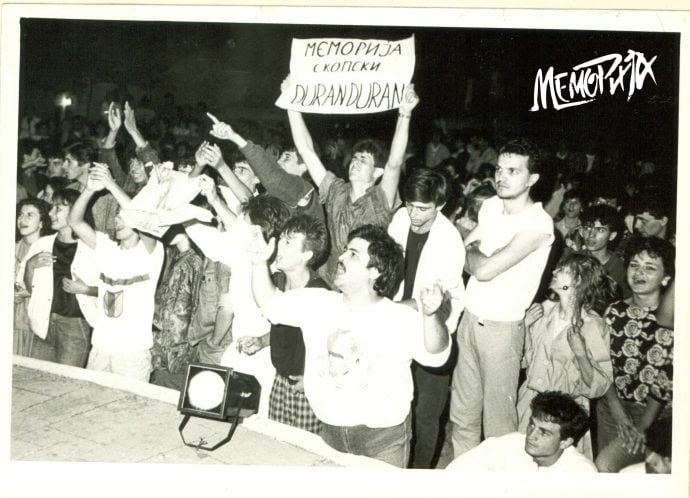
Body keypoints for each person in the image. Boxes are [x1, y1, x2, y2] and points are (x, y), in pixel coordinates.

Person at [251, 224, 450, 467]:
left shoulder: (398, 317)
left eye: (353, 254)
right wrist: (258, 263)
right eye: (345, 250)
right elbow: (270, 303)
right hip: (330, 434)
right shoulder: (319, 303)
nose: (341, 257)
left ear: (374, 270)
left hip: (382, 440)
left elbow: (437, 355)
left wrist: (431, 316)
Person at [449, 137, 555, 458]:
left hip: (502, 329)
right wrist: (477, 254)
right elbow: (461, 252)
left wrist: (475, 254)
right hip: (469, 319)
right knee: (462, 417)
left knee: (498, 426)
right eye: (499, 169)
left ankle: (503, 480)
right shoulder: (491, 206)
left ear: (532, 178)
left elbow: (481, 270)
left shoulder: (539, 224)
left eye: (513, 171)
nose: (502, 177)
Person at [286, 78, 420, 287]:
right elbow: (306, 150)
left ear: (377, 172)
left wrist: (405, 114)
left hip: (362, 283)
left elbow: (394, 162)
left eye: (363, 159)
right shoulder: (335, 189)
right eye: (354, 158)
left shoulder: (381, 198)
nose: (355, 162)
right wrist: (291, 105)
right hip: (328, 281)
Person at [387, 167, 466, 468]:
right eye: (410, 205)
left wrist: (386, 310)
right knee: (396, 402)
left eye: (422, 208)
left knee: (426, 413)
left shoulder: (450, 241)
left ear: (440, 205)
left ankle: (419, 475)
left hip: (434, 325)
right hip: (398, 319)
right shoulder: (399, 219)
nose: (413, 214)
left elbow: (429, 301)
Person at [69, 163, 164, 381]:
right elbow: (74, 222)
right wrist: (89, 190)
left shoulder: (151, 251)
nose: (117, 220)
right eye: (116, 216)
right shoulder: (106, 247)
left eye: (123, 216)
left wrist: (111, 184)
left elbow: (141, 218)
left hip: (132, 353)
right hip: (100, 348)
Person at [239, 215, 329, 434]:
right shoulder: (277, 282)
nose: (280, 245)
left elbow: (331, 345)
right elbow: (287, 325)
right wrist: (262, 341)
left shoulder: (318, 293)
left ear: (306, 254)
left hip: (306, 388)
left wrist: (315, 380)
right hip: (280, 382)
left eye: (289, 242)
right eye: (281, 239)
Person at [518, 253, 614, 458]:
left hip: (565, 414)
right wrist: (524, 327)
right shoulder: (542, 311)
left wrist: (580, 354)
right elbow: (523, 361)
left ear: (578, 281)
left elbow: (600, 386)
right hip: (530, 406)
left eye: (563, 270)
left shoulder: (593, 326)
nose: (554, 271)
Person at [595, 236, 674, 472]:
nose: (639, 273)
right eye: (634, 265)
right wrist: (616, 409)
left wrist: (643, 426)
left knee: (605, 465)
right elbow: (602, 363)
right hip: (611, 406)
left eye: (650, 268)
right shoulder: (614, 311)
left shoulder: (672, 321)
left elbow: (665, 380)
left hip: (654, 415)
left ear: (666, 278)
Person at [16, 189, 99, 367]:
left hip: (74, 326)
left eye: (58, 208)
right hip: (43, 325)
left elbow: (112, 288)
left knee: (65, 381)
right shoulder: (42, 244)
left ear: (76, 211)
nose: (51, 213)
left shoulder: (93, 247)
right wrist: (30, 266)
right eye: (52, 208)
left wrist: (86, 290)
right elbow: (30, 289)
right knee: (39, 379)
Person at [207, 115, 325, 225]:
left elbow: (273, 178)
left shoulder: (303, 189)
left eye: (287, 157)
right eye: (281, 156)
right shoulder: (277, 193)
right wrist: (221, 166)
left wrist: (235, 137)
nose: (279, 161)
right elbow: (251, 204)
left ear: (304, 166)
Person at [446, 391, 596, 472]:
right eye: (531, 425)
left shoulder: (581, 473)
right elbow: (455, 473)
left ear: (565, 442)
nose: (531, 436)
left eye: (544, 432)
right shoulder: (508, 444)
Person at [150, 225, 203, 390]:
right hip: (165, 341)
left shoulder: (190, 261)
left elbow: (182, 310)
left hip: (173, 347)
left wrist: (169, 350)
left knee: (168, 387)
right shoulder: (178, 257)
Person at [14, 198, 53, 356]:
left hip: (36, 324)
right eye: (20, 214)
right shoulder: (12, 247)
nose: (22, 219)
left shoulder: (48, 249)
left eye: (29, 215)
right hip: (13, 321)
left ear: (42, 222)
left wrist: (25, 292)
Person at [581, 204, 630, 298]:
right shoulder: (571, 259)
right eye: (587, 228)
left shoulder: (620, 269)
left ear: (612, 236)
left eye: (600, 230)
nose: (591, 235)